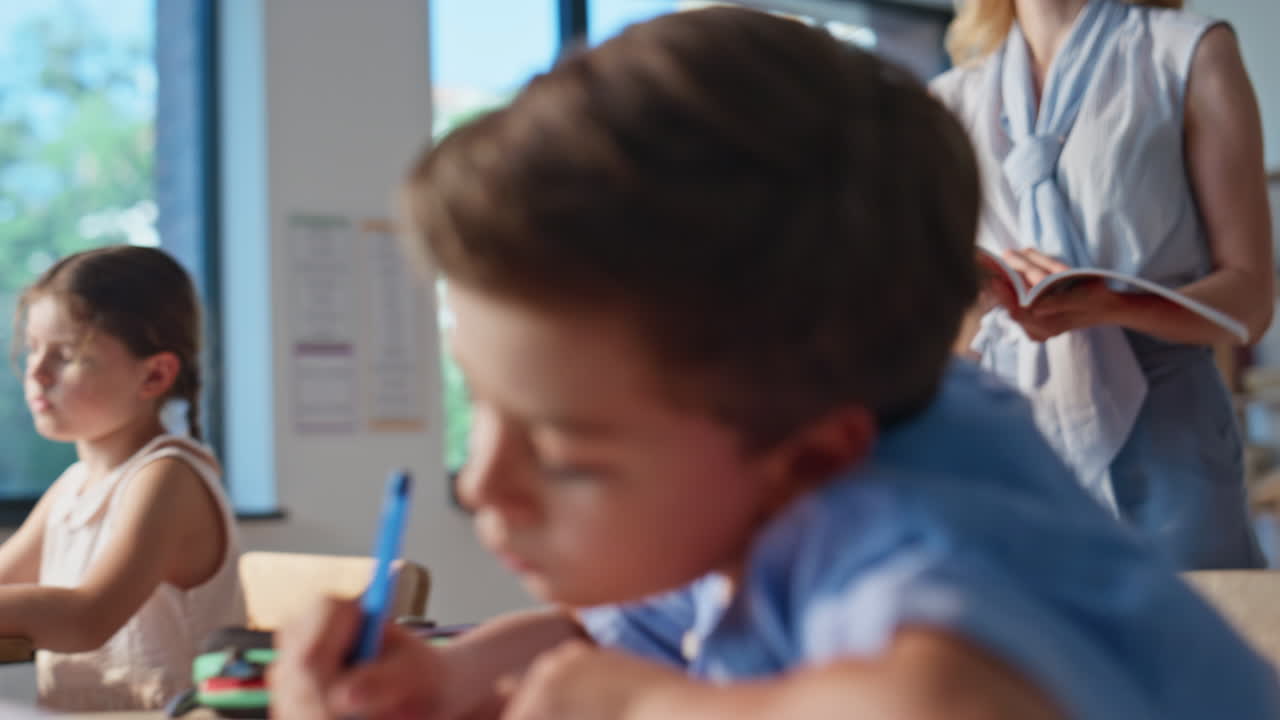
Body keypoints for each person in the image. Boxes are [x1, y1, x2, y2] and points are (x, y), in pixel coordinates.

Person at [270, 8, 1280, 720]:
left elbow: (946, 704)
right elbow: (617, 632)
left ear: (808, 458)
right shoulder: (806, 442)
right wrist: (448, 680)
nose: (484, 484)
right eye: (481, 408)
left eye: (565, 444)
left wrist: (645, 711)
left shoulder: (898, 511)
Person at [933, 0, 1274, 569]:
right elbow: (949, 330)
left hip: (1168, 438)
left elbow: (1251, 296)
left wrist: (1112, 304)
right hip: (1010, 440)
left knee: (1180, 650)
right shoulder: (948, 99)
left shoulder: (1190, 53)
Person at [0, 245, 244, 710]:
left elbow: (87, 617)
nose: (36, 372)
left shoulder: (168, 477)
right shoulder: (73, 487)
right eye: (33, 349)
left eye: (66, 354)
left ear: (154, 375)